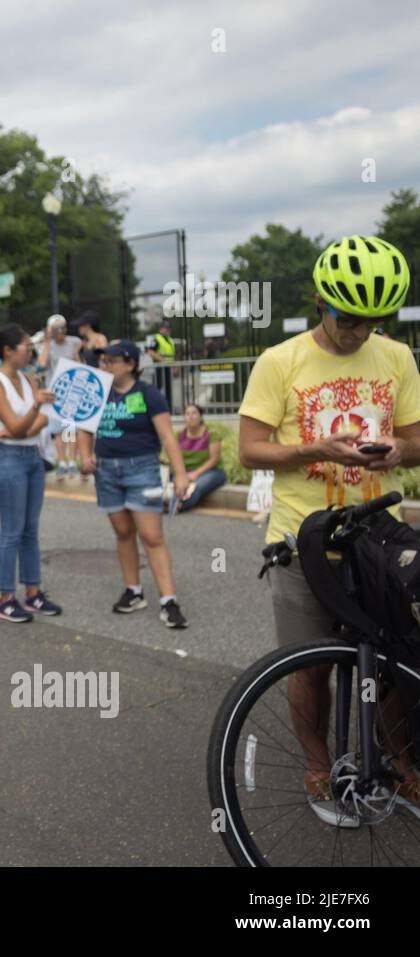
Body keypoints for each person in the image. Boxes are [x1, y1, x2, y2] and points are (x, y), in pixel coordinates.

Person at [237, 234, 420, 818]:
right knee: (311, 667)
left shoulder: (397, 358)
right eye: (348, 319)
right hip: (303, 537)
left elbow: (417, 440)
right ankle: (319, 768)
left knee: (390, 666)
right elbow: (249, 449)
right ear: (321, 300)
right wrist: (318, 447)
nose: (359, 332)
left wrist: (396, 450)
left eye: (372, 321)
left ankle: (398, 763)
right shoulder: (279, 361)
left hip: (376, 537)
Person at [77, 341, 190, 629]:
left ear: (130, 364)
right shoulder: (98, 392)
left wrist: (181, 475)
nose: (106, 366)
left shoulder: (149, 394)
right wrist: (84, 457)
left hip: (142, 469)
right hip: (106, 472)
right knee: (123, 533)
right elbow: (85, 428)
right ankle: (134, 591)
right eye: (104, 362)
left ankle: (169, 600)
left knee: (151, 536)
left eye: (112, 361)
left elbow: (167, 437)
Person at [0, 324, 61, 623]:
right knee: (11, 531)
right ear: (8, 351)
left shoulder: (29, 380)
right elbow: (17, 427)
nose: (30, 350)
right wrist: (33, 412)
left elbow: (31, 425)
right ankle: (5, 598)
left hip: (32, 456)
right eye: (26, 346)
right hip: (8, 460)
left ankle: (33, 592)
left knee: (30, 530)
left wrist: (27, 421)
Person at [36, 314, 83, 478]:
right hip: (54, 393)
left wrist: (77, 353)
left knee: (70, 428)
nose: (60, 332)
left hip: (71, 391)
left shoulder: (74, 342)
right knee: (57, 430)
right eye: (56, 329)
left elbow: (80, 365)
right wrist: (48, 341)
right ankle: (61, 461)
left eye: (63, 328)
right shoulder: (46, 346)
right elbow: (41, 365)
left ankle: (72, 461)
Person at [175, 403, 226, 511]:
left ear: (200, 416)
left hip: (211, 472)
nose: (191, 416)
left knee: (195, 487)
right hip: (186, 472)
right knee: (177, 484)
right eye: (187, 414)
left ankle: (180, 506)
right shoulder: (179, 436)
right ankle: (170, 504)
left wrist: (196, 473)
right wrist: (183, 475)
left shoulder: (211, 435)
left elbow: (214, 460)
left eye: (194, 413)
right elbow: (176, 458)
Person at [147, 319, 177, 411]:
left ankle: (168, 407)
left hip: (167, 368)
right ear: (160, 329)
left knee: (168, 389)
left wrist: (174, 366)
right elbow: (150, 352)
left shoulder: (170, 340)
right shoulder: (157, 339)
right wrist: (162, 361)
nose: (168, 330)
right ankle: (156, 408)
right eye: (165, 328)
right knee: (158, 388)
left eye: (168, 328)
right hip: (159, 368)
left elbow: (172, 355)